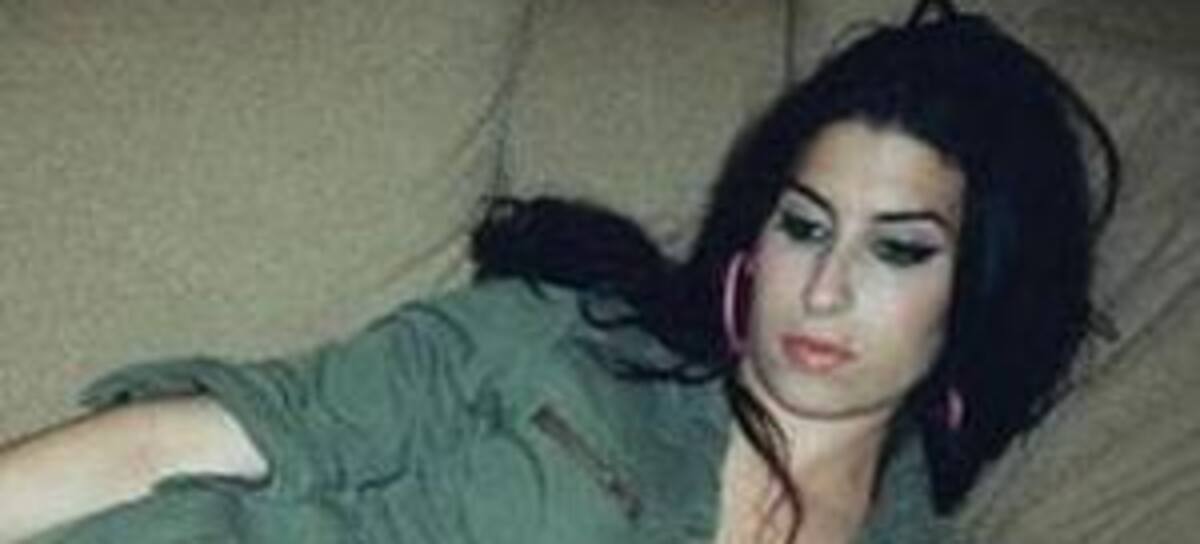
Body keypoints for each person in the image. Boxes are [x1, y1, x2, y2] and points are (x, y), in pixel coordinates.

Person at [0, 0, 1120, 542]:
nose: (825, 289)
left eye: (899, 248)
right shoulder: (564, 341)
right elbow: (189, 438)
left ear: (981, 291)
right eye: (804, 225)